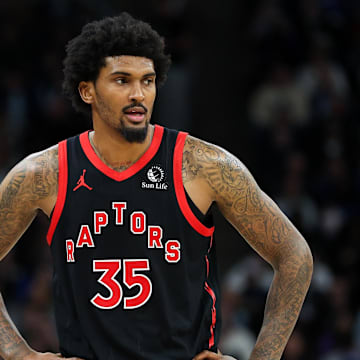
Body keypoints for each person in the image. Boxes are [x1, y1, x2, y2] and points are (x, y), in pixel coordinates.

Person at [0, 13, 313, 360]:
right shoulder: (45, 173)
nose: (138, 94)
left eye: (147, 81)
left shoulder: (202, 165)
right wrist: (16, 352)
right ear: (87, 89)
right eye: (122, 81)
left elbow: (294, 255)